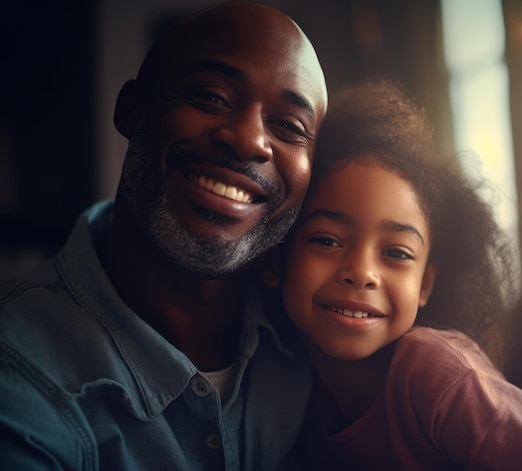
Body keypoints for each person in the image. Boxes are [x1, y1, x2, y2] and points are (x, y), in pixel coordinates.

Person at [0, 2, 327, 470]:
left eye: (289, 126)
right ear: (133, 110)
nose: (250, 140)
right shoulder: (16, 368)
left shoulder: (317, 333)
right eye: (212, 96)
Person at [263, 78, 522, 469]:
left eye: (396, 252)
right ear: (275, 259)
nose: (361, 273)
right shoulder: (286, 394)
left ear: (425, 284)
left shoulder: (440, 373)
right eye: (327, 241)